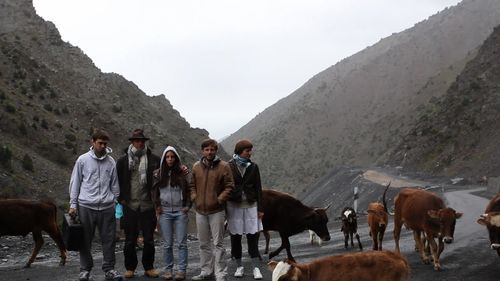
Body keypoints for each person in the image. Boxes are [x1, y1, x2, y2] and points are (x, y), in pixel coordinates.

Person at [68, 129, 123, 281]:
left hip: (107, 207)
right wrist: (73, 204)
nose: (103, 146)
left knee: (109, 240)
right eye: (100, 143)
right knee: (85, 240)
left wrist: (115, 200)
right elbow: (75, 183)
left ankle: (109, 270)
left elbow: (115, 184)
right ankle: (85, 271)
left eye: (105, 143)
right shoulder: (82, 160)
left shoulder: (111, 162)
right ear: (92, 142)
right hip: (86, 205)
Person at [116, 129, 161, 278]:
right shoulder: (123, 161)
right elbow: (117, 181)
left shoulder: (154, 159)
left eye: (142, 141)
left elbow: (161, 179)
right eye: (137, 141)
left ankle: (149, 267)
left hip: (148, 204)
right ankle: (130, 268)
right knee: (130, 239)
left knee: (148, 239)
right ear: (132, 142)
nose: (140, 143)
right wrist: (120, 199)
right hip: (130, 205)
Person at [190, 139, 234, 281]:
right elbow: (192, 185)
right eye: (207, 150)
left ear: (216, 151)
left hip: (217, 211)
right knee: (203, 244)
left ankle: (220, 274)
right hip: (200, 211)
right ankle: (206, 271)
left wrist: (219, 200)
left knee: (218, 244)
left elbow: (230, 186)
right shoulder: (196, 167)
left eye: (212, 150)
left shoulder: (224, 166)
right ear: (202, 151)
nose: (209, 152)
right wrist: (194, 197)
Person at [152, 146, 191, 280]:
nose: (170, 159)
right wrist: (157, 206)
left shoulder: (182, 173)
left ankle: (181, 271)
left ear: (176, 158)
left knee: (181, 243)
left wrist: (187, 206)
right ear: (164, 158)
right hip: (165, 211)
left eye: (172, 157)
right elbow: (154, 192)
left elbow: (189, 190)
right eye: (167, 157)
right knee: (167, 244)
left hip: (180, 211)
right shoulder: (157, 174)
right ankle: (168, 270)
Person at [226, 140, 264, 279]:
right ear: (239, 151)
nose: (250, 153)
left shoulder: (253, 167)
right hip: (233, 206)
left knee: (252, 237)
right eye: (247, 150)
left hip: (251, 206)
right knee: (235, 238)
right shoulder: (228, 166)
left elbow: (258, 188)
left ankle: (255, 268)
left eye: (250, 150)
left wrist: (261, 208)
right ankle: (239, 267)